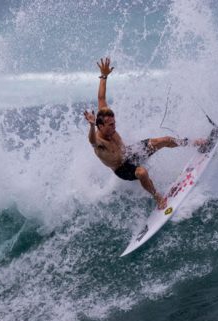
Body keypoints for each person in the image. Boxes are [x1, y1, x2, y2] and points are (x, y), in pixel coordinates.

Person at [83, 57, 204, 210]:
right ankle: (158, 197)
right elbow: (92, 141)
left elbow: (101, 97)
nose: (115, 127)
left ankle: (196, 143)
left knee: (164, 140)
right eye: (111, 125)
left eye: (114, 123)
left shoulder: (104, 117)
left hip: (130, 153)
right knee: (142, 172)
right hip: (122, 168)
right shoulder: (99, 142)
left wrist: (104, 76)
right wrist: (91, 126)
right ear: (100, 126)